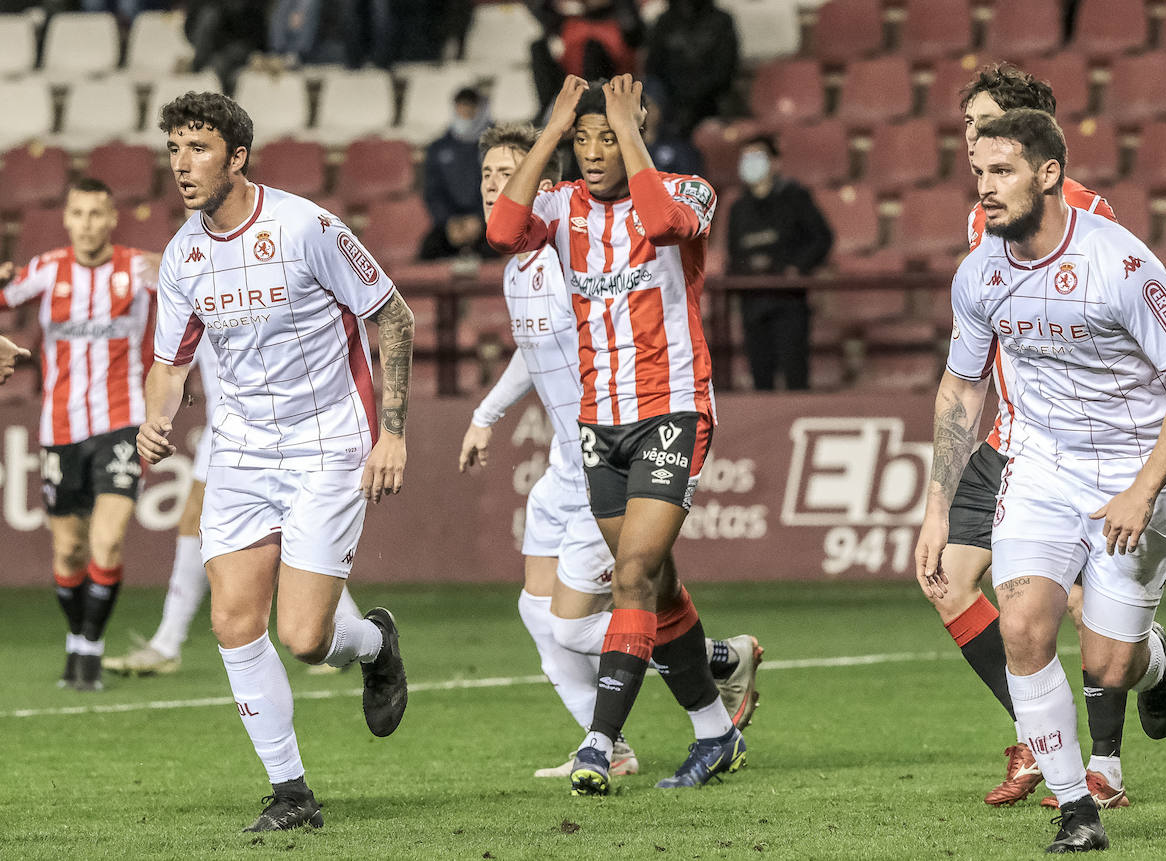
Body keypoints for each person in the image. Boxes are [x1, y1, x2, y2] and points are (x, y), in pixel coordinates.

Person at [917, 108, 1166, 852]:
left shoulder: (1117, 262)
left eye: (1003, 172)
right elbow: (960, 390)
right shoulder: (979, 271)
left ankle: (1154, 660)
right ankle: (1073, 807)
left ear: (1049, 174)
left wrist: (1144, 490)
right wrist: (936, 509)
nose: (984, 189)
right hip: (1042, 466)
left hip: (1134, 469)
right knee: (1022, 627)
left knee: (1109, 661)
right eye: (979, 173)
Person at [138, 91, 414, 832]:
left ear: (237, 156)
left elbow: (392, 313)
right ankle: (291, 790)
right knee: (232, 619)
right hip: (241, 451)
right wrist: (155, 418)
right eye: (173, 149)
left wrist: (393, 430)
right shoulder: (184, 255)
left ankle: (375, 640)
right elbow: (169, 362)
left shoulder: (307, 226)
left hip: (327, 445)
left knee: (305, 637)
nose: (182, 165)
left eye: (197, 149)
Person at [461, 122, 763, 777]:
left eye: (505, 173)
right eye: (485, 175)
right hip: (578, 458)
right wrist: (486, 413)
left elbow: (661, 227)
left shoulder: (573, 240)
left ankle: (607, 741)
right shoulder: (522, 267)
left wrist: (624, 132)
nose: (493, 186)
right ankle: (709, 700)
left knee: (584, 618)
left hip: (651, 420)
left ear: (544, 183)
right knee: (563, 605)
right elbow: (534, 352)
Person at [931, 63, 1132, 811]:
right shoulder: (983, 218)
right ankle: (1040, 738)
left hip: (1075, 448)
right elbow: (973, 353)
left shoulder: (1088, 217)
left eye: (983, 126)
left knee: (1093, 621)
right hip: (1006, 439)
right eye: (968, 131)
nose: (971, 142)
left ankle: (1105, 759)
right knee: (946, 580)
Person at [104, 340, 366, 676]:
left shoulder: (220, 292)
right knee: (196, 520)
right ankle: (166, 642)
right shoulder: (192, 294)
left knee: (287, 530)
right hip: (228, 425)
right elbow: (171, 363)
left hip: (270, 427)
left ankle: (344, 627)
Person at [0, 177, 159, 693]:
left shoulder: (137, 268)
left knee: (107, 539)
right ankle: (77, 636)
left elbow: (196, 291)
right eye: (79, 214)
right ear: (66, 220)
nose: (88, 224)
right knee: (68, 551)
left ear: (113, 219)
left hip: (122, 421)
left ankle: (90, 645)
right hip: (60, 427)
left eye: (97, 214)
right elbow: (5, 293)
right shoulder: (46, 271)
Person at [726, 134, 833, 392]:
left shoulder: (795, 197)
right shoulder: (738, 208)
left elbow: (822, 238)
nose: (751, 163)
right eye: (746, 157)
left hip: (788, 303)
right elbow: (734, 254)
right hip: (753, 303)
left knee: (795, 376)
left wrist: (797, 267)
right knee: (760, 379)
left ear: (775, 162)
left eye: (758, 157)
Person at [643, 0, 738, 135]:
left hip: (710, 104)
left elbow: (725, 70)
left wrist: (694, 97)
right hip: (670, 104)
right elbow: (654, 68)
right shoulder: (664, 22)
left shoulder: (721, 21)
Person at [420, 88, 492, 261]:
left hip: (488, 223)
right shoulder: (438, 148)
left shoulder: (494, 146)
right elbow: (432, 191)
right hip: (450, 226)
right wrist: (449, 222)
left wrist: (480, 220)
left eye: (470, 109)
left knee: (495, 250)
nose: (465, 114)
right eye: (461, 109)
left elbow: (502, 188)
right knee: (428, 251)